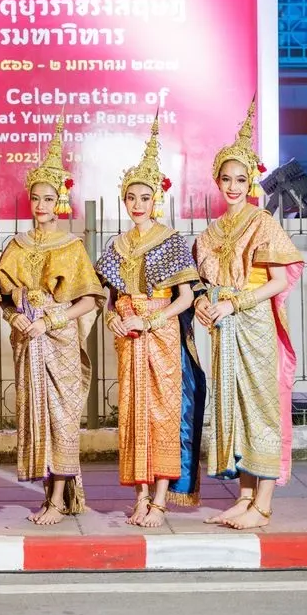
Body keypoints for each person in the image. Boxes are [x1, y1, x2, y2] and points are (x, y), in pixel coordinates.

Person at [194, 100, 303, 529]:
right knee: (235, 407)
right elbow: (204, 282)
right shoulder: (211, 232)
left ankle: (265, 503)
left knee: (262, 407)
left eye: (242, 179)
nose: (234, 186)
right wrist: (205, 302)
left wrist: (235, 302)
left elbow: (278, 280)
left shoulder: (263, 224)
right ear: (217, 181)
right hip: (224, 328)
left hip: (255, 326)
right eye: (227, 178)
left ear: (252, 180)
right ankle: (243, 496)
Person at [95, 115, 205, 527]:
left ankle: (160, 498)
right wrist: (115, 322)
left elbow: (185, 296)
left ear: (155, 199)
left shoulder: (171, 240)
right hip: (129, 338)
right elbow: (109, 301)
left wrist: (156, 321)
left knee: (162, 413)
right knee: (133, 415)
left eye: (145, 197)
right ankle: (139, 495)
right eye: (131, 197)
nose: (137, 204)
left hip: (159, 337)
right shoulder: (117, 244)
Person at [0, 117, 104, 525]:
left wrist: (52, 319)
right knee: (34, 414)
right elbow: (4, 297)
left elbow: (90, 300)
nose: (41, 205)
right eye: (36, 198)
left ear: (60, 200)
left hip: (58, 341)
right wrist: (17, 319)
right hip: (28, 341)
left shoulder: (72, 246)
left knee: (62, 415)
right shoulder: (16, 245)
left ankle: (59, 498)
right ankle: (48, 492)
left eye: (48, 198)